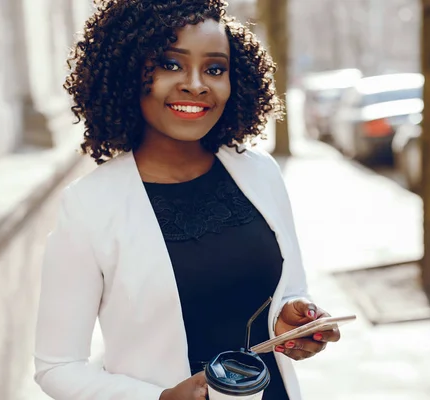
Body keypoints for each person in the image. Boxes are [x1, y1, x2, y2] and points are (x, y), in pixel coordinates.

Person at [33, 1, 341, 399]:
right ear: (128, 72)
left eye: (215, 69)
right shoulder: (89, 206)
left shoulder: (258, 172)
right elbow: (57, 367)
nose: (196, 84)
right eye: (171, 64)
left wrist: (291, 320)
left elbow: (290, 287)